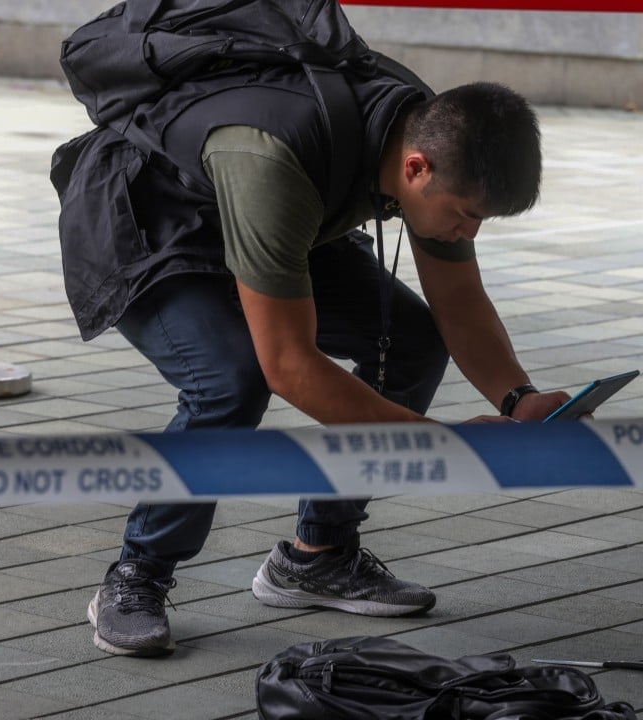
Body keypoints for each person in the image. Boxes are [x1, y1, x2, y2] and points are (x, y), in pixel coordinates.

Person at [51, 55, 570, 657]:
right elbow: (289, 367)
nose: (470, 234)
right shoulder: (274, 160)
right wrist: (443, 444)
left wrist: (519, 398)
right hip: (153, 221)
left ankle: (317, 556)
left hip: (272, 220)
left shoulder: (428, 133)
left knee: (412, 337)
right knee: (232, 379)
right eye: (466, 215)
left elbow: (456, 302)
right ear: (416, 168)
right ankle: (137, 572)